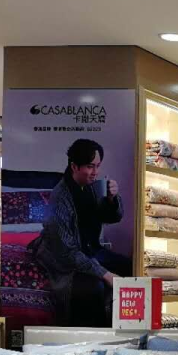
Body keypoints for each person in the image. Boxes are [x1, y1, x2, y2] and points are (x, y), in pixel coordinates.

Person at [30, 138, 130, 325]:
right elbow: (67, 252)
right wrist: (105, 274)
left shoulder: (92, 186)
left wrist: (112, 199)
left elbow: (112, 217)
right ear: (74, 166)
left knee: (130, 267)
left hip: (90, 249)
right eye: (90, 166)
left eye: (98, 166)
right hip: (64, 258)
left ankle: (127, 329)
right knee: (94, 288)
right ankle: (96, 336)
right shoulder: (60, 198)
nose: (95, 172)